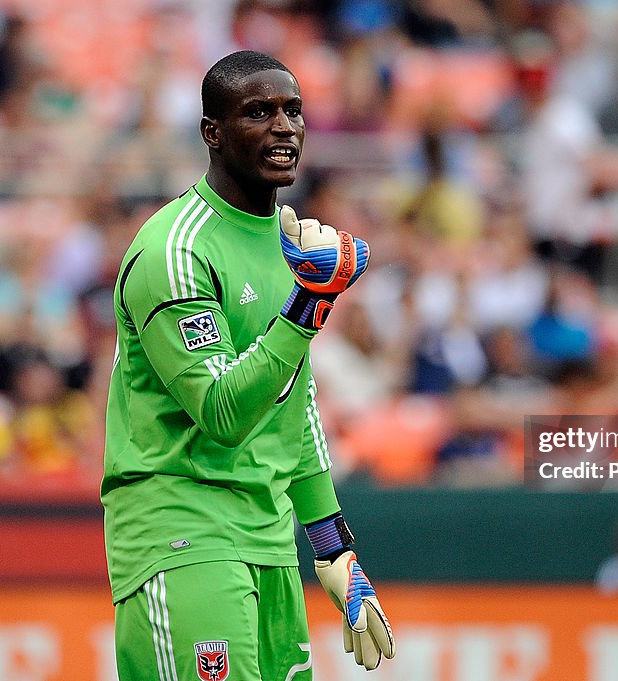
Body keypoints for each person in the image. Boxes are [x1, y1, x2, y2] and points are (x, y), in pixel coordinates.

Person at [101, 51, 395, 681]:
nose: (283, 126)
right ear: (213, 133)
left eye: (293, 111)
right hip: (183, 539)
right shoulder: (174, 250)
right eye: (259, 112)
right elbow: (223, 414)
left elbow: (294, 405)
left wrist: (335, 554)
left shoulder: (285, 243)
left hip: (268, 542)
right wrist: (308, 305)